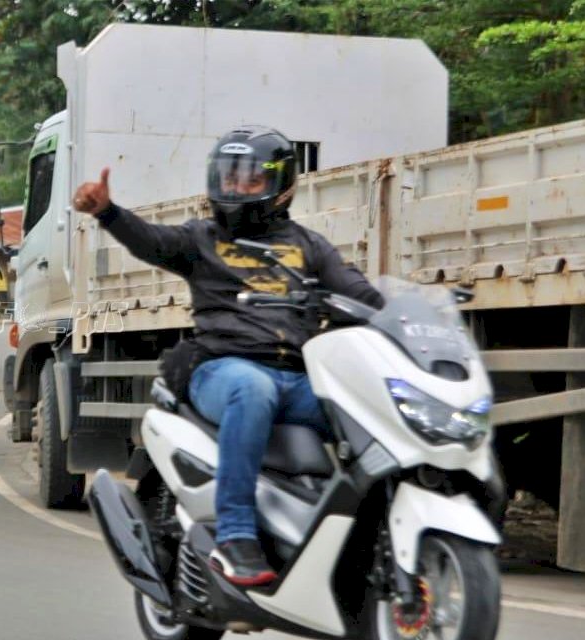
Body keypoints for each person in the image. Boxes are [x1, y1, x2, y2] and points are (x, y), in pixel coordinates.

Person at [71, 126, 383, 588]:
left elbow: (360, 294)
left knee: (365, 409)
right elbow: (152, 241)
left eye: (250, 180)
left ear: (282, 185)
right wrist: (109, 213)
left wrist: (413, 316)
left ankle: (364, 540)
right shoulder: (202, 239)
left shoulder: (308, 247)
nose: (236, 188)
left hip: (297, 380)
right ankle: (235, 536)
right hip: (220, 369)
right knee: (251, 388)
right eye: (229, 177)